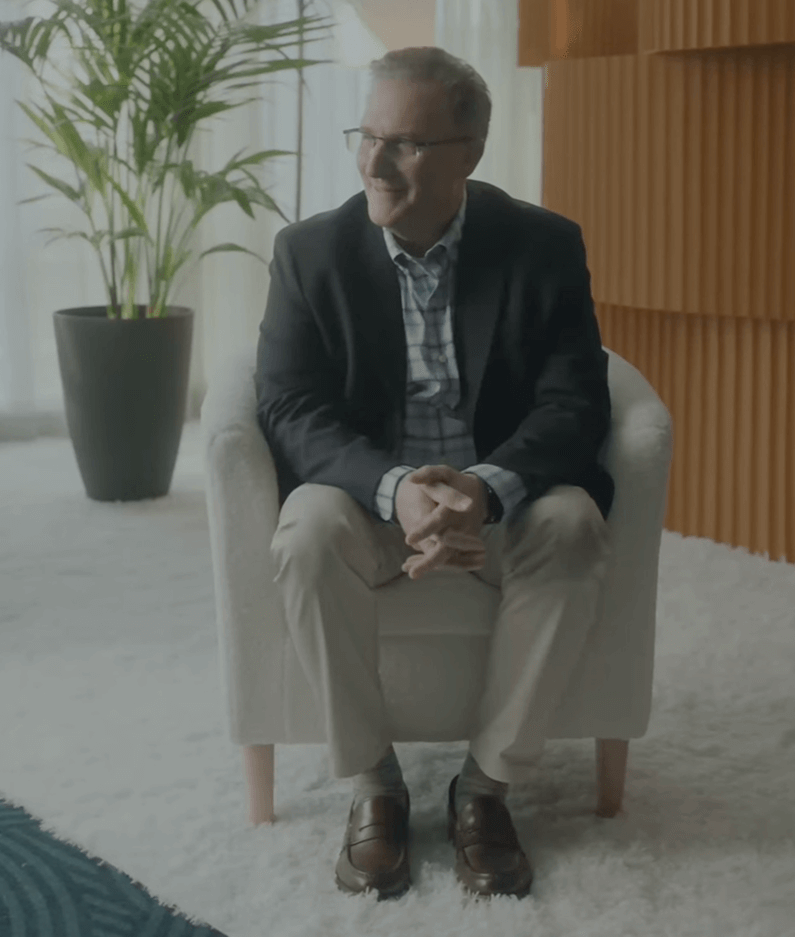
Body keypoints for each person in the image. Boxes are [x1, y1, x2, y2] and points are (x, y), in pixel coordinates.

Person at [255, 46, 614, 899]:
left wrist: (483, 490)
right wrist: (399, 489)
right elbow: (290, 406)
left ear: (470, 154)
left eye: (406, 145)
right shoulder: (311, 252)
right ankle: (373, 784)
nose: (374, 164)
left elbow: (574, 404)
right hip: (370, 501)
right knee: (304, 534)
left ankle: (484, 789)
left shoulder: (542, 245)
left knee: (572, 525)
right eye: (367, 137)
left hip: (497, 501)